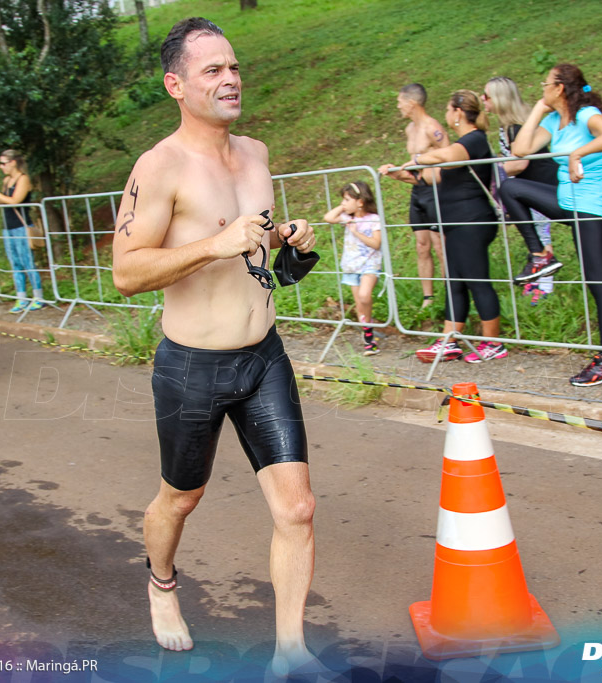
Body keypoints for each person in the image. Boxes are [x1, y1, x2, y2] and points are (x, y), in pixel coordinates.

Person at [111, 17, 320, 678]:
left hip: (263, 357)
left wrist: (294, 251)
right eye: (212, 71)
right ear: (177, 84)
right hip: (192, 368)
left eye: (233, 67)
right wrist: (212, 243)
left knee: (299, 507)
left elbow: (260, 267)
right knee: (181, 497)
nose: (230, 79)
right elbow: (126, 273)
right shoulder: (159, 166)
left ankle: (291, 651)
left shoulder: (256, 153)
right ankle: (162, 583)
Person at [502, 64, 602, 386]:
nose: (541, 88)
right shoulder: (552, 121)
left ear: (559, 88)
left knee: (599, 282)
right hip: (565, 199)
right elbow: (519, 151)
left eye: (544, 85)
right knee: (509, 187)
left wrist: (578, 154)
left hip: (590, 208)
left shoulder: (586, 115)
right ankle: (540, 256)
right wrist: (537, 108)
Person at [406, 90, 507, 365]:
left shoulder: (473, 140)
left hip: (472, 222)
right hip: (456, 224)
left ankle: (493, 343)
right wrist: (403, 172)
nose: (447, 115)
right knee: (455, 282)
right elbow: (433, 176)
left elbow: (448, 155)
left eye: (449, 110)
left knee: (477, 281)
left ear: (458, 112)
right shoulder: (465, 142)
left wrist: (418, 158)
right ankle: (450, 339)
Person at [482, 76, 558, 303]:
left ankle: (545, 284)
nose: (483, 100)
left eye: (486, 96)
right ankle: (539, 277)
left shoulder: (515, 127)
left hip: (539, 182)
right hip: (529, 184)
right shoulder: (508, 126)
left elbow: (518, 163)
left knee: (540, 230)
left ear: (499, 98)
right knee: (535, 230)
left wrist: (495, 165)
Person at [377, 84, 449, 310]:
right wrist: (396, 172)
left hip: (437, 190)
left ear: (412, 103)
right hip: (418, 190)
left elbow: (450, 159)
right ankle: (428, 297)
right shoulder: (410, 130)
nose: (398, 106)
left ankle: (451, 291)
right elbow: (414, 167)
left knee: (440, 245)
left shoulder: (432, 127)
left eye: (400, 102)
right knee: (421, 245)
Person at [0, 150, 46, 313]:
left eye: (3, 163)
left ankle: (38, 297)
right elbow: (2, 201)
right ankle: (21, 298)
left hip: (21, 226)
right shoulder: (6, 180)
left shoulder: (23, 179)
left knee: (27, 262)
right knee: (15, 263)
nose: (1, 167)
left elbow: (15, 201)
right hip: (7, 227)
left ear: (13, 162)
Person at [323, 181, 383, 355]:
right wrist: (344, 207)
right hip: (351, 267)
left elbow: (376, 243)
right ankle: (369, 338)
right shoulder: (348, 218)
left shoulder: (374, 219)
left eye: (347, 199)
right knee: (359, 304)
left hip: (369, 265)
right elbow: (328, 217)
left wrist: (356, 231)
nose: (343, 203)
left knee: (365, 296)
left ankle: (369, 325)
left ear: (360, 201)